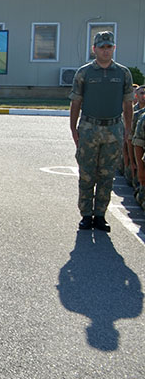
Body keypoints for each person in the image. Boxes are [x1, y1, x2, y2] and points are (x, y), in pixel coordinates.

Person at [69, 30, 133, 232]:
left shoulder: (123, 73)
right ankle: (86, 215)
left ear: (114, 48)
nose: (106, 51)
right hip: (89, 128)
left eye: (109, 47)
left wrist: (128, 129)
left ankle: (100, 216)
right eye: (102, 47)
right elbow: (76, 101)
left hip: (113, 128)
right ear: (94, 49)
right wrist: (73, 128)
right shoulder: (84, 72)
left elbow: (128, 103)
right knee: (87, 174)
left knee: (107, 176)